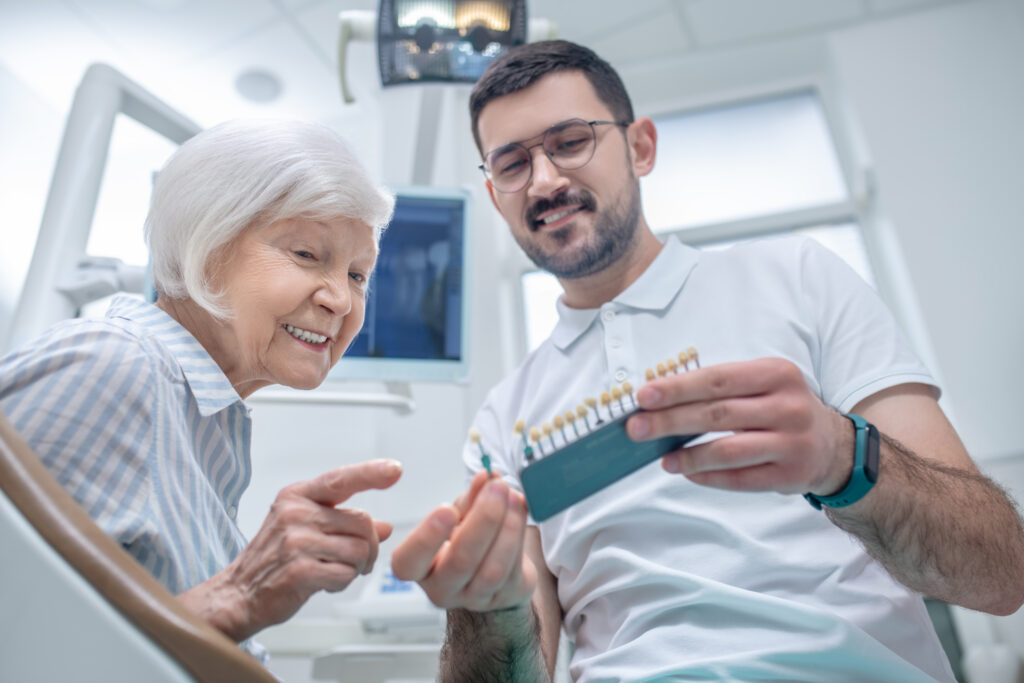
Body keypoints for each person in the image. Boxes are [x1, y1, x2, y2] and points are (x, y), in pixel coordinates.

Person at [391, 40, 1024, 682]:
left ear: (640, 147)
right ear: (496, 197)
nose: (546, 180)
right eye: (512, 163)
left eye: (571, 141)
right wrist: (483, 610)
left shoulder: (798, 280)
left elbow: (1000, 575)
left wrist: (841, 457)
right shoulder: (505, 420)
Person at [0, 119, 399, 661]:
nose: (341, 300)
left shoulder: (205, 429)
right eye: (307, 254)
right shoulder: (107, 366)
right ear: (205, 248)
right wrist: (238, 596)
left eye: (357, 275)